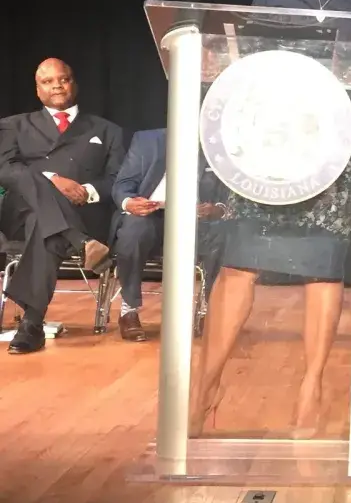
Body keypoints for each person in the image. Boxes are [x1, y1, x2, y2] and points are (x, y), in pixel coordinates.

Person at [190, 0, 351, 432]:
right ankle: (206, 385)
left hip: (331, 147)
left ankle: (312, 388)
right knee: (238, 264)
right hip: (267, 140)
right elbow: (243, 52)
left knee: (323, 270)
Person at [0, 58, 125, 355]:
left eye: (63, 79)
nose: (57, 85)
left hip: (83, 215)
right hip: (20, 211)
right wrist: (52, 180)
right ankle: (81, 244)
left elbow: (119, 180)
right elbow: (5, 169)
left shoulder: (108, 131)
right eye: (47, 81)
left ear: (74, 83)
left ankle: (31, 325)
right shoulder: (13, 125)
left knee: (44, 227)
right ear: (38, 90)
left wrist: (88, 191)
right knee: (36, 197)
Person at [111, 129, 227, 342]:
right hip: (151, 214)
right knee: (134, 230)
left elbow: (229, 195)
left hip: (197, 220)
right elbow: (123, 185)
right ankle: (129, 310)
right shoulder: (147, 140)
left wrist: (217, 209)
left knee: (221, 233)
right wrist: (130, 202)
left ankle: (207, 310)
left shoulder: (219, 144)